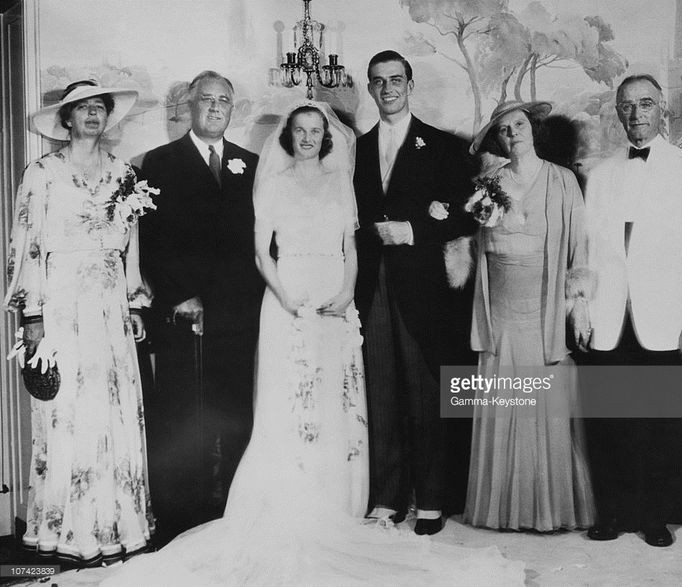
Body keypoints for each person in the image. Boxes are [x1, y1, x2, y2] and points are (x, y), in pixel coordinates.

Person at [71, 101, 524, 587]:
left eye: (315, 131)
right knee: (290, 398)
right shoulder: (274, 182)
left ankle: (342, 498)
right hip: (287, 296)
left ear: (327, 137)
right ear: (288, 136)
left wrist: (348, 290)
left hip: (335, 295)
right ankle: (289, 495)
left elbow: (352, 245)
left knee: (337, 398)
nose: (308, 138)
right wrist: (285, 294)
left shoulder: (339, 182)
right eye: (300, 131)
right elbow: (261, 250)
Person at [3, 80, 153, 564]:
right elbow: (26, 242)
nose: (91, 115)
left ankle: (115, 525)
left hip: (109, 305)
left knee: (111, 407)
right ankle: (66, 531)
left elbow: (132, 244)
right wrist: (32, 314)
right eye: (82, 109)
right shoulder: (43, 173)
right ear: (65, 119)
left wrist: (133, 304)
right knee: (66, 409)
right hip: (61, 302)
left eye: (98, 108)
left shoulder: (124, 174)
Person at [583, 74, 682, 547]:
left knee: (657, 425)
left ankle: (653, 516)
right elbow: (585, 253)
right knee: (609, 424)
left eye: (645, 104)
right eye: (627, 106)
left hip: (663, 322)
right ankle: (612, 514)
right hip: (607, 322)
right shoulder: (599, 175)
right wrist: (580, 312)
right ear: (618, 112)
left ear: (661, 108)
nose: (636, 114)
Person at [448, 100, 595, 532]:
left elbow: (578, 245)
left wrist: (579, 302)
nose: (513, 133)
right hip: (501, 309)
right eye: (504, 130)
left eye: (519, 125)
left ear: (532, 128)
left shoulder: (563, 179)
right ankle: (503, 509)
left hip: (544, 306)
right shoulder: (488, 182)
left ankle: (548, 509)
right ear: (498, 139)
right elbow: (474, 243)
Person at [353, 50, 475, 535]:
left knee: (425, 394)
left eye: (396, 80)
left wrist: (415, 230)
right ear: (369, 88)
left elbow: (467, 212)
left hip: (423, 287)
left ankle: (431, 498)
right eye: (378, 81)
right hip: (371, 284)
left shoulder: (442, 146)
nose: (388, 89)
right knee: (379, 389)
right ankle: (386, 497)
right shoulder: (355, 150)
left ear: (410, 84)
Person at [139, 70, 262, 542]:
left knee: (232, 412)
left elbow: (257, 241)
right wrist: (179, 295)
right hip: (182, 315)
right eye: (206, 100)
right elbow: (150, 239)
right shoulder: (161, 161)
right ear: (190, 106)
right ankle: (178, 519)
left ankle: (228, 510)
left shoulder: (249, 164)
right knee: (182, 415)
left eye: (223, 101)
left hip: (236, 316)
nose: (214, 108)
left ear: (233, 110)